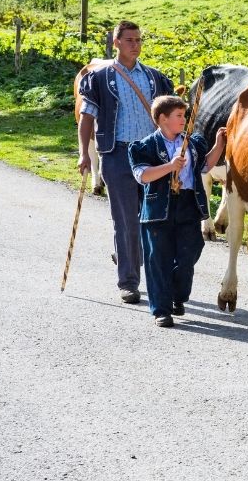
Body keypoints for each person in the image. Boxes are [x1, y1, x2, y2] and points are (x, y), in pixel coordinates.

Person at [77, 21, 173, 304]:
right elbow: (87, 118)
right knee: (126, 220)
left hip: (151, 157)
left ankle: (130, 256)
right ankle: (129, 282)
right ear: (116, 42)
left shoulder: (156, 79)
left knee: (153, 219)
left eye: (138, 39)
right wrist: (84, 152)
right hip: (117, 155)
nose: (135, 44)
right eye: (129, 39)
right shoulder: (99, 78)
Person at [129, 95, 227, 327]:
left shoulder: (192, 143)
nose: (184, 120)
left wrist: (220, 144)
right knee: (158, 260)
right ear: (163, 119)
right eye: (179, 116)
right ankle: (161, 310)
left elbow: (204, 166)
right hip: (157, 209)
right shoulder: (145, 146)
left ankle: (177, 295)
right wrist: (170, 166)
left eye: (185, 115)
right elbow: (143, 176)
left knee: (189, 254)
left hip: (188, 206)